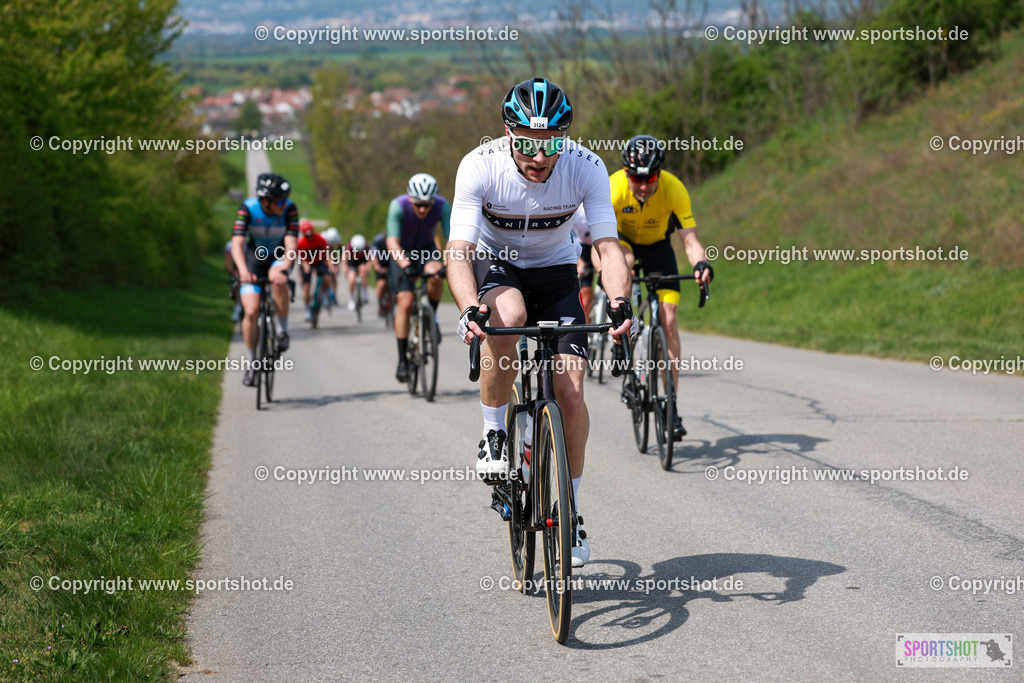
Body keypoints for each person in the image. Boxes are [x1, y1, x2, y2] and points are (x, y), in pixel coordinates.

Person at [446, 77, 636, 567]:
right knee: (508, 317)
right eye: (527, 143)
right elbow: (459, 250)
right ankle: (494, 430)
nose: (538, 156)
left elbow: (607, 247)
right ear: (508, 134)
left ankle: (569, 509)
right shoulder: (479, 165)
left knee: (570, 393)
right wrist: (468, 308)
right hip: (497, 263)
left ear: (564, 139)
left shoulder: (586, 166)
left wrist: (619, 300)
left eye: (551, 144)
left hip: (555, 270)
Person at [611, 134, 714, 438]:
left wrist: (701, 265)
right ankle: (620, 336)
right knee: (626, 263)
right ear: (626, 173)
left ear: (660, 174)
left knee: (668, 318)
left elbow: (690, 241)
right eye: (636, 179)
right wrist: (607, 266)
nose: (643, 186)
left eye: (650, 179)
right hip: (623, 242)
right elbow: (598, 240)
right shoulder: (613, 188)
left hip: (658, 246)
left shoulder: (674, 188)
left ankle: (670, 405)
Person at [231, 172, 298, 386]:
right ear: (264, 201)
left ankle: (282, 330)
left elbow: (291, 245)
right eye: (279, 201)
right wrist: (243, 271)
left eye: (285, 200)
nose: (283, 204)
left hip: (279, 255)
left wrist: (285, 267)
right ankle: (252, 365)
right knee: (250, 311)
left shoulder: (289, 209)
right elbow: (237, 245)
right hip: (254, 258)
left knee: (276, 278)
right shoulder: (247, 208)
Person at [386, 173, 451, 382]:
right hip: (402, 252)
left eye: (427, 205)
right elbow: (392, 241)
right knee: (405, 303)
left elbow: (451, 238)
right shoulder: (398, 206)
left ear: (434, 201)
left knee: (436, 275)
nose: (422, 209)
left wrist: (448, 263)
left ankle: (432, 317)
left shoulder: (442, 206)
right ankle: (402, 361)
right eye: (418, 204)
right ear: (410, 198)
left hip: (426, 249)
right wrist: (406, 265)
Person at [296, 220, 331, 322]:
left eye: (310, 234)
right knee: (306, 288)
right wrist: (305, 265)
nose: (309, 236)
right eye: (307, 235)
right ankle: (307, 310)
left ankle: (324, 295)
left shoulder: (320, 239)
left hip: (319, 261)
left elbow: (327, 252)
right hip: (307, 262)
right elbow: (300, 257)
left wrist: (330, 263)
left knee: (326, 278)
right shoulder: (301, 243)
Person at [342, 234, 371, 311]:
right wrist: (345, 267)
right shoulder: (349, 247)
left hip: (362, 260)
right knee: (352, 280)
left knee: (363, 273)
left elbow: (370, 258)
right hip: (352, 260)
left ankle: (365, 294)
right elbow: (344, 258)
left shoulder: (366, 246)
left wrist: (368, 266)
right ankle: (351, 299)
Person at [370, 232, 391, 316]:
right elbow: (373, 256)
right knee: (381, 284)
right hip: (381, 264)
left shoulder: (399, 239)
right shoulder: (378, 241)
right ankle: (380, 304)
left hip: (392, 264)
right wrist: (377, 267)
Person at [224, 239, 242, 322]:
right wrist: (233, 272)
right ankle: (236, 308)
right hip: (236, 268)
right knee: (236, 286)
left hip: (251, 266)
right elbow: (227, 263)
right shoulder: (229, 245)